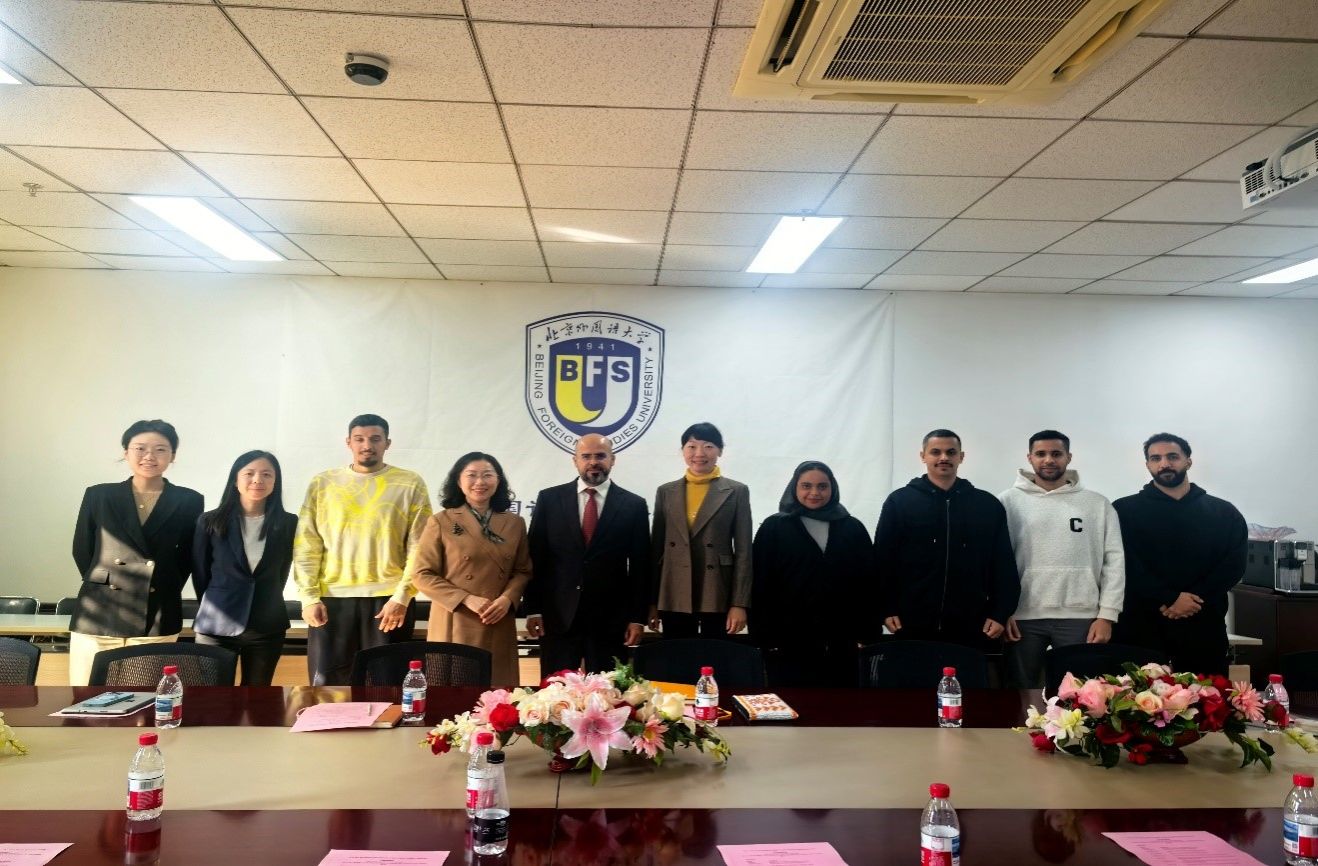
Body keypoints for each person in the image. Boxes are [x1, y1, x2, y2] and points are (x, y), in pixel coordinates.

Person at [293, 414, 432, 686]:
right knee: (329, 686)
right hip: (331, 599)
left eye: (375, 439)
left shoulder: (410, 483)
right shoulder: (323, 483)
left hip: (389, 601)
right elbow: (307, 543)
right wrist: (308, 598)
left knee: (387, 685)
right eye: (359, 439)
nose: (367, 445)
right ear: (348, 442)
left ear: (387, 443)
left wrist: (403, 596)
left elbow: (420, 547)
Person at [69, 419, 205, 686]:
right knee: (87, 694)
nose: (149, 456)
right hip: (99, 610)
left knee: (143, 696)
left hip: (156, 611)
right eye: (140, 448)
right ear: (126, 452)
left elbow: (188, 556)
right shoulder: (99, 495)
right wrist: (104, 580)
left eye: (160, 449)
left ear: (172, 456)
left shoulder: (189, 500)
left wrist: (162, 586)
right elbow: (82, 549)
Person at [998, 430, 1125, 689]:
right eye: (1041, 454)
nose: (1048, 460)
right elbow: (996, 561)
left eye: (1056, 454)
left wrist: (1107, 616)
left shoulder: (1097, 504)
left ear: (1068, 457)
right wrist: (1002, 610)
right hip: (1022, 617)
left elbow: (1114, 561)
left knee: (1082, 695)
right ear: (1029, 458)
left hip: (1081, 615)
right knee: (1020, 692)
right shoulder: (1007, 502)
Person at [1112, 433, 1246, 675]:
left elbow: (1233, 565)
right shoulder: (1123, 510)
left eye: (1172, 456)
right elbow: (1123, 563)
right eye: (1156, 458)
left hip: (1203, 625)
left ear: (1188, 461)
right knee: (1138, 697)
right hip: (1140, 626)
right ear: (1148, 465)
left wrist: (1192, 600)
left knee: (1206, 696)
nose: (1164, 463)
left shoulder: (1223, 512)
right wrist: (1169, 597)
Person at [874, 429, 1019, 650]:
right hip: (910, 621)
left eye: (951, 452)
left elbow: (1003, 564)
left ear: (961, 457)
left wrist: (1000, 613)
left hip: (973, 624)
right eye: (936, 452)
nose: (944, 457)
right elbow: (882, 561)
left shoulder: (987, 505)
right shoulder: (900, 502)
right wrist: (886, 608)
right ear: (923, 456)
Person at [524, 434, 650, 678]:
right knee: (555, 693)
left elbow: (640, 566)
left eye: (600, 456)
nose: (593, 462)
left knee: (610, 693)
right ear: (575, 461)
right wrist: (532, 610)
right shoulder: (549, 499)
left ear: (612, 460)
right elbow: (535, 558)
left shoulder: (633, 505)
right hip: (557, 617)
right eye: (586, 456)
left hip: (610, 620)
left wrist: (637, 618)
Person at [410, 452, 533, 687]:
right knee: (454, 695)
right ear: (458, 481)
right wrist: (466, 599)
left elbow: (523, 570)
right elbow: (422, 574)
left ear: (498, 481)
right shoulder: (441, 521)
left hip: (497, 616)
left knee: (497, 692)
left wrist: (507, 599)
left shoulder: (515, 523)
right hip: (456, 617)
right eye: (472, 475)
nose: (480, 482)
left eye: (487, 475)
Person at [750, 460, 875, 687]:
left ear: (832, 488)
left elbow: (867, 583)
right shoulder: (773, 527)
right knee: (791, 700)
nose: (814, 493)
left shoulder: (852, 527)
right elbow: (760, 583)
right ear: (794, 488)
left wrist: (866, 633)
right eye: (806, 486)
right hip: (788, 637)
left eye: (822, 486)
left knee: (840, 702)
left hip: (841, 638)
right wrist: (764, 636)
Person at [191, 450, 296, 686]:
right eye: (249, 473)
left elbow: (282, 572)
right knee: (214, 698)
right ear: (235, 480)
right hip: (215, 625)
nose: (258, 480)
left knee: (256, 696)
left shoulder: (288, 523)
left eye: (267, 474)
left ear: (275, 482)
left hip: (266, 625)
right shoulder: (210, 521)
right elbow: (200, 573)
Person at [649, 422, 753, 639]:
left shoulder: (736, 491)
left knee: (714, 653)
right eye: (692, 446)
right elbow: (656, 550)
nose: (699, 453)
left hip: (717, 588)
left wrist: (739, 603)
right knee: (677, 654)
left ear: (720, 451)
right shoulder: (666, 491)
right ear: (682, 451)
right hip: (673, 589)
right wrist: (651, 602)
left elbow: (744, 552)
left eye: (708, 446)